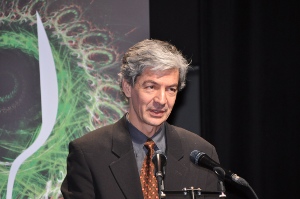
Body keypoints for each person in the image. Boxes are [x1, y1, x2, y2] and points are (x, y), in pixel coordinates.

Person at [61, 39, 220, 199]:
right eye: (151, 87)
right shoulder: (88, 153)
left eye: (171, 89)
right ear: (127, 87)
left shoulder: (202, 154)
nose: (162, 100)